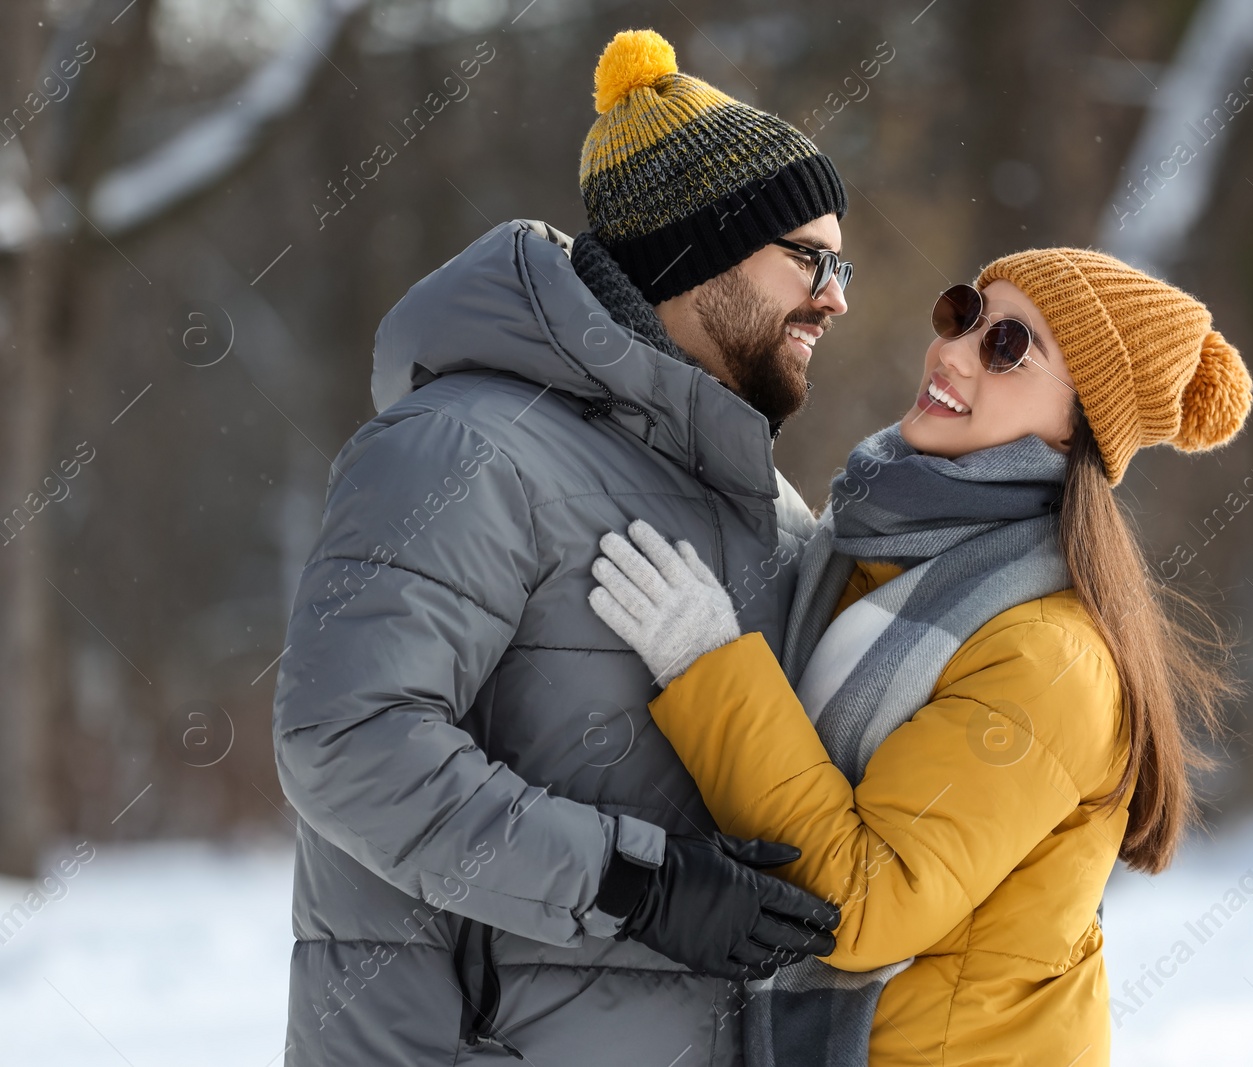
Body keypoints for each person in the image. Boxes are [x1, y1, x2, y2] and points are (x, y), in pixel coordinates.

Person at [271, 29, 852, 1065]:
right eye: (809, 257)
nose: (837, 296)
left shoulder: (764, 497)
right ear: (695, 251)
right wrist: (637, 884)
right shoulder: (460, 447)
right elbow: (347, 741)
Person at [588, 248, 1253, 1066]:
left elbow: (866, 904)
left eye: (1008, 346)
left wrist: (706, 664)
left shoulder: (1049, 655)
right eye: (964, 313)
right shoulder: (873, 546)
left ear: (1080, 422)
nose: (953, 350)